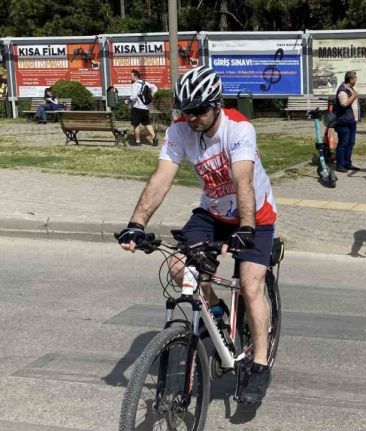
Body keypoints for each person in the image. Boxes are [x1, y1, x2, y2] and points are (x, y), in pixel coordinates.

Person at [116, 66, 277, 404]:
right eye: (186, 110)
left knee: (251, 285)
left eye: (200, 110)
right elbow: (162, 177)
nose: (192, 118)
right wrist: (136, 223)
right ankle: (216, 311)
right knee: (178, 267)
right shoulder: (180, 131)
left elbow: (243, 182)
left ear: (216, 105)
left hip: (254, 215)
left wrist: (246, 229)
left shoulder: (239, 129)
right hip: (213, 211)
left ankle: (260, 363)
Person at [334, 71, 360, 173]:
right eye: (355, 78)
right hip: (344, 121)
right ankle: (340, 165)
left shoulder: (350, 89)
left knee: (350, 143)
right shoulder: (342, 90)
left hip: (351, 121)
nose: (356, 80)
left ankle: (347, 163)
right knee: (343, 143)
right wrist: (353, 96)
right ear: (351, 79)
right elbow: (344, 104)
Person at [126, 69, 158, 145]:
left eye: (131, 76)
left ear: (135, 76)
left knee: (136, 125)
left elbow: (134, 97)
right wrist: (151, 96)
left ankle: (137, 141)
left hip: (136, 108)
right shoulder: (145, 83)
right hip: (145, 108)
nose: (130, 77)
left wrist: (128, 101)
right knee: (147, 124)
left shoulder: (135, 84)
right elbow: (155, 88)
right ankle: (154, 137)